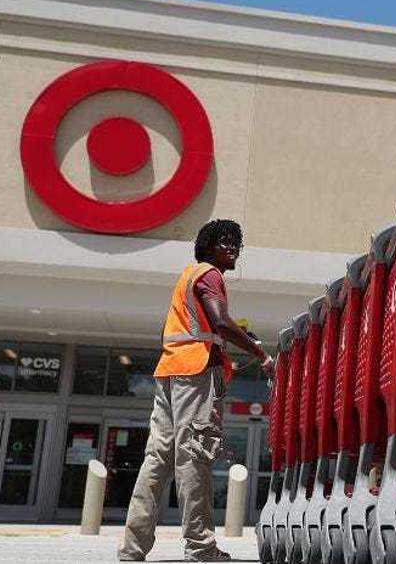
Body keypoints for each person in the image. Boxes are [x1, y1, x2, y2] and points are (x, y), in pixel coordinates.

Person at [118, 219, 275, 562]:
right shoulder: (209, 274)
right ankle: (201, 547)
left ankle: (132, 548)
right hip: (195, 372)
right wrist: (260, 354)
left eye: (237, 243)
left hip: (171, 370)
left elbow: (201, 326)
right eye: (225, 241)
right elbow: (219, 321)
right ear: (207, 246)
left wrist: (237, 340)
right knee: (195, 456)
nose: (233, 248)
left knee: (158, 458)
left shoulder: (187, 277)